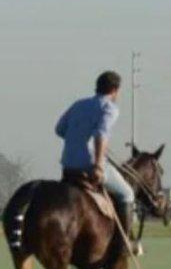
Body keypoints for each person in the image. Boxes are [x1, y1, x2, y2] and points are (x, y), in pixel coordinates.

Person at [55, 71, 138, 247]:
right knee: (127, 193)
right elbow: (101, 134)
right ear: (115, 90)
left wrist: (77, 139)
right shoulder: (110, 108)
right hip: (90, 166)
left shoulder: (78, 104)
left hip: (68, 167)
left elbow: (60, 129)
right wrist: (99, 165)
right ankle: (123, 244)